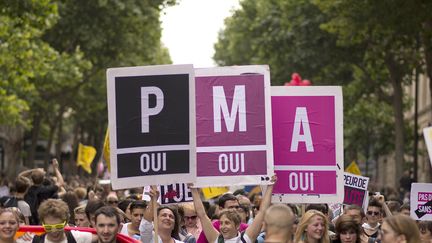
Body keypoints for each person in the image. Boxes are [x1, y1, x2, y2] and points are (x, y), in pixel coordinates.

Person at [191, 176, 275, 243]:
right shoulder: (216, 240)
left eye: (227, 223)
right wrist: (193, 189)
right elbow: (201, 214)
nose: (223, 227)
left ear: (237, 225)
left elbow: (263, 211)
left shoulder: (246, 239)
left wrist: (270, 186)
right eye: (221, 223)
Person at [21, 159, 65, 225]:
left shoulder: (27, 188)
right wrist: (56, 168)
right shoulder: (46, 190)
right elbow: (61, 182)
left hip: (29, 220)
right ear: (44, 178)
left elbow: (20, 176)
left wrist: (34, 170)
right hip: (42, 220)